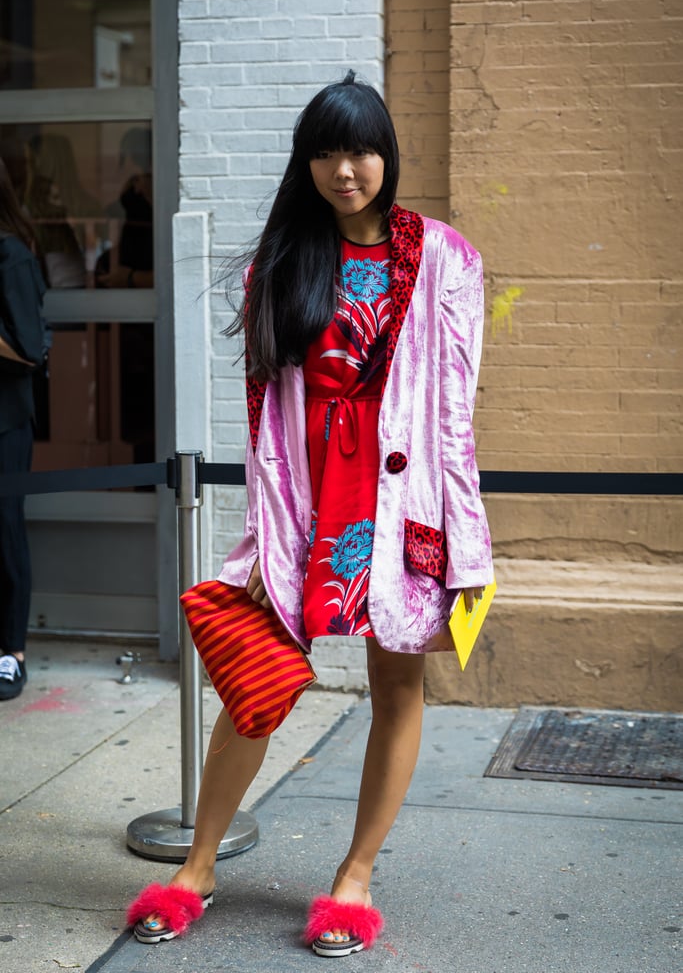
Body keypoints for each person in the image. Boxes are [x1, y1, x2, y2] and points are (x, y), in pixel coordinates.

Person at [126, 71, 493, 957]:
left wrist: (463, 539)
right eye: (325, 151)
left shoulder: (444, 256)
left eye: (360, 148)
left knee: (394, 685)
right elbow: (263, 421)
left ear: (386, 156)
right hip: (308, 504)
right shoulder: (280, 263)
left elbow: (454, 405)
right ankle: (197, 866)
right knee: (253, 686)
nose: (344, 169)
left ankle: (353, 880)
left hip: (403, 504)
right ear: (307, 162)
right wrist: (266, 528)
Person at [0, 158, 48, 701]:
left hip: (6, 419)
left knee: (5, 529)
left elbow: (30, 351)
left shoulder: (10, 255)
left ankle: (12, 652)